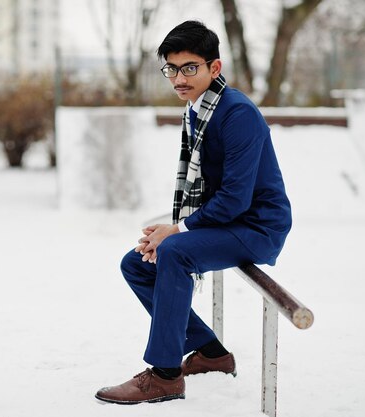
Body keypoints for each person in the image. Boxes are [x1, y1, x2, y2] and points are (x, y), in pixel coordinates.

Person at [95, 20, 292, 405]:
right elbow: (206, 188)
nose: (179, 78)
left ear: (213, 68)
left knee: (174, 251)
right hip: (228, 221)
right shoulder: (199, 109)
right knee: (135, 263)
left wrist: (179, 230)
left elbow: (235, 197)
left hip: (257, 226)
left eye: (189, 68)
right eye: (171, 68)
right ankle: (212, 354)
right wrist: (172, 229)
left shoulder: (237, 114)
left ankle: (166, 375)